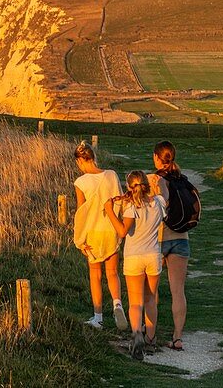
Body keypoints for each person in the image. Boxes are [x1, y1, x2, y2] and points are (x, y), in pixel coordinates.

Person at [104, 171, 166, 361]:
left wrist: (109, 210)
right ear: (147, 185)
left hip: (134, 257)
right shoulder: (158, 203)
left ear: (130, 187)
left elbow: (122, 232)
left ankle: (137, 333)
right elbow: (165, 197)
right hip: (153, 255)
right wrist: (160, 184)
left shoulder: (131, 208)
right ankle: (151, 338)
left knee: (135, 302)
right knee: (150, 299)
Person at [150, 140, 199, 352]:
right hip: (182, 238)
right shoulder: (182, 178)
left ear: (156, 157)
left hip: (161, 238)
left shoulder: (157, 179)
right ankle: (177, 337)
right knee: (178, 290)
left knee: (152, 289)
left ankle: (150, 331)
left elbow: (163, 201)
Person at [73, 141, 128, 330]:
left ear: (81, 160)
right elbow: (120, 201)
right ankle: (117, 304)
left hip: (92, 232)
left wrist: (79, 240)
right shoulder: (111, 175)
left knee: (95, 274)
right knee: (112, 272)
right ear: (93, 157)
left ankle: (98, 317)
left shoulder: (81, 182)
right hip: (111, 229)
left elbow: (81, 212)